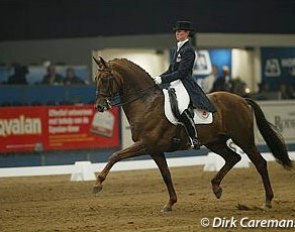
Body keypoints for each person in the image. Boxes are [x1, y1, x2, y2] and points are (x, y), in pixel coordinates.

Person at [153, 20, 216, 149]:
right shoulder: (178, 48)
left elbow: (182, 72)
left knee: (181, 107)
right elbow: (172, 69)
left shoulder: (189, 50)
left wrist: (162, 80)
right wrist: (157, 78)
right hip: (174, 84)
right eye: (176, 31)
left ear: (187, 33)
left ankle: (194, 138)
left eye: (180, 31)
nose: (177, 33)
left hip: (184, 84)